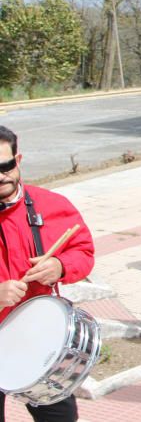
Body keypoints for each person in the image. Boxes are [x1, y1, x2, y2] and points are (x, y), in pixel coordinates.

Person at [0, 125, 95, 422]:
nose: (0, 175)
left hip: (38, 338)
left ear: (18, 160)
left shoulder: (51, 205)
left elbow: (84, 252)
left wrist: (60, 266)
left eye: (5, 165)